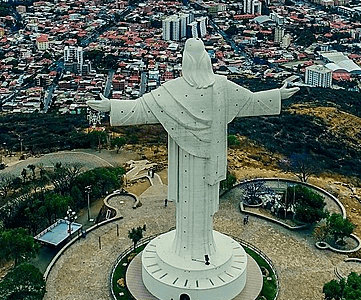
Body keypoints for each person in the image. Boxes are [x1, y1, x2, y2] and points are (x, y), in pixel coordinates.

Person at [89, 39, 298, 261]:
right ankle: (193, 247)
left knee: (195, 203)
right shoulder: (221, 87)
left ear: (185, 62)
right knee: (197, 203)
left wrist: (111, 106)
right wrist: (278, 94)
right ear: (206, 60)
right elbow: (253, 101)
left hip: (189, 164)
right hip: (207, 162)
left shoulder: (172, 90)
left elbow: (139, 108)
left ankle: (194, 247)